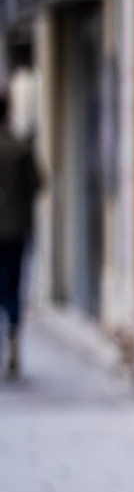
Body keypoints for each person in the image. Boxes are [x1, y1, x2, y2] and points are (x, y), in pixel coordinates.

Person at [0, 89, 41, 380]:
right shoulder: (20, 147)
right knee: (14, 284)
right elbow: (38, 183)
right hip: (16, 228)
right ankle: (13, 336)